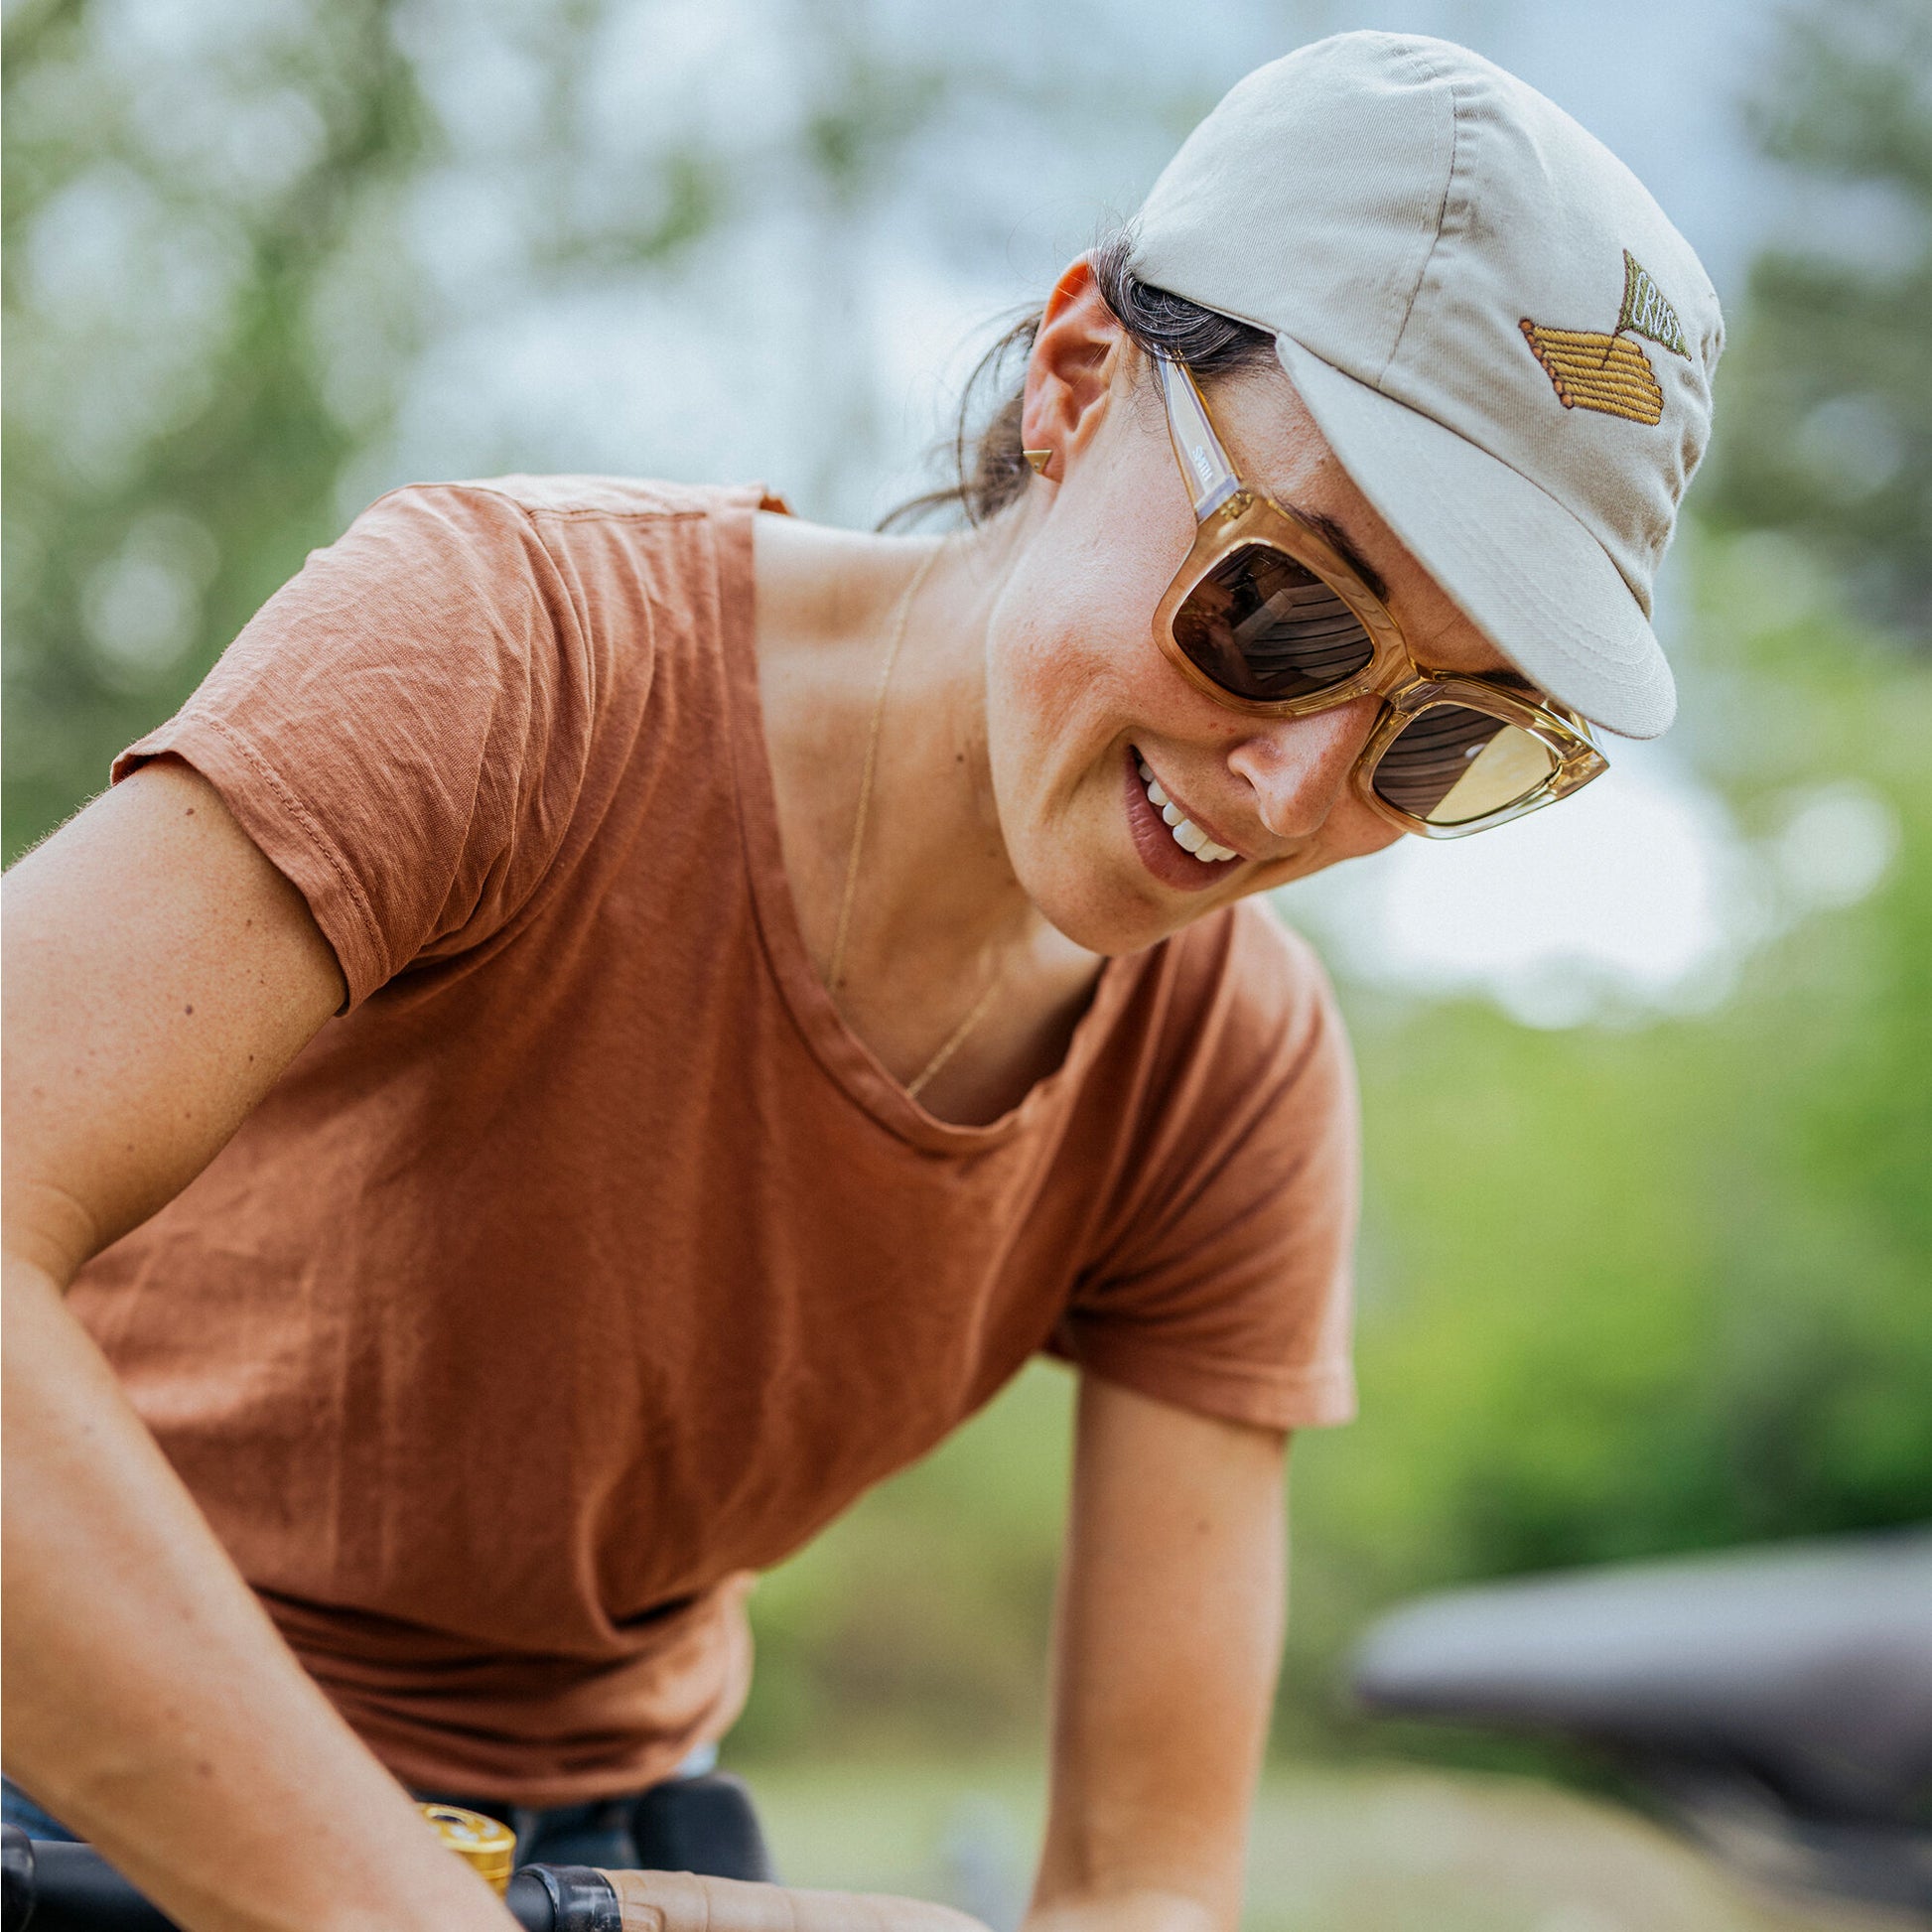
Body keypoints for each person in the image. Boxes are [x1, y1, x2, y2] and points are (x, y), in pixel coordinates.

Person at [2, 31, 1722, 1932]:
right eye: (1275, 606)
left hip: (598, 1837)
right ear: (1080, 380)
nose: (1296, 785)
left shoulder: (1223, 1074)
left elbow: (1147, 1888)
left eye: (1447, 740)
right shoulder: (509, 658)